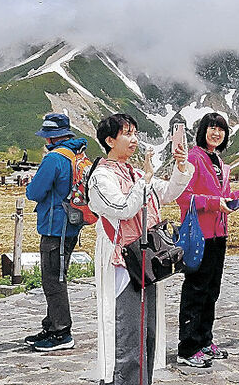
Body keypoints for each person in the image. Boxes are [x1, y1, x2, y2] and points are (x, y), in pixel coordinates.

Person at [88, 113, 193, 385]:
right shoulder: (100, 178)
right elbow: (123, 208)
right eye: (126, 133)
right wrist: (145, 180)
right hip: (120, 258)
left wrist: (181, 166)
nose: (134, 139)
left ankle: (142, 380)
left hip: (144, 256)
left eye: (135, 133)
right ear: (110, 141)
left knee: (146, 327)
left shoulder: (133, 172)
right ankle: (121, 379)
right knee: (126, 326)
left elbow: (167, 193)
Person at [175, 112, 239, 368]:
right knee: (196, 290)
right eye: (212, 128)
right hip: (199, 234)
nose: (216, 133)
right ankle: (187, 348)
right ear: (203, 131)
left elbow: (227, 197)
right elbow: (182, 197)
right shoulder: (193, 158)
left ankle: (204, 338)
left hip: (219, 234)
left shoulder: (218, 161)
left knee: (211, 290)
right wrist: (213, 203)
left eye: (221, 129)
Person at [23, 113, 88, 351]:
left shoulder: (54, 159)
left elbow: (35, 192)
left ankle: (62, 332)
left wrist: (31, 185)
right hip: (71, 224)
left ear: (51, 138)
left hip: (54, 226)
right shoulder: (76, 154)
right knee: (57, 275)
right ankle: (51, 326)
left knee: (53, 279)